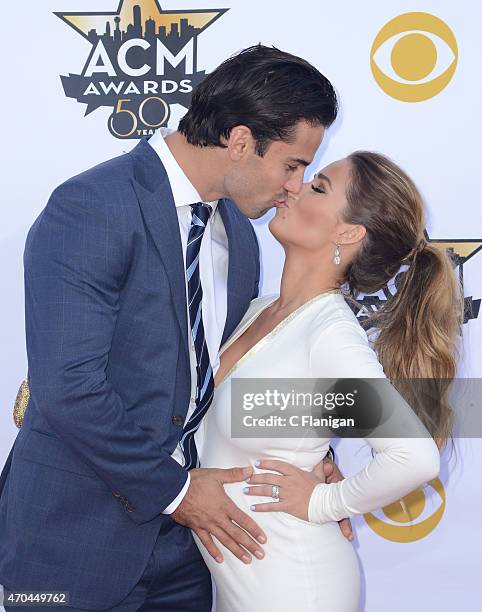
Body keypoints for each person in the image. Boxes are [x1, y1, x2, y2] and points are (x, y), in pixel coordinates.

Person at [0, 45, 346, 611]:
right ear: (239, 141)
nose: (295, 186)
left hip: (194, 552)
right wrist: (178, 492)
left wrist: (318, 455)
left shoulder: (238, 231)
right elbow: (69, 389)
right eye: (292, 164)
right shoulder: (92, 206)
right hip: (75, 539)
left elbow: (225, 378)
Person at [194, 151, 464, 611]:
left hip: (294, 584)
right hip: (244, 584)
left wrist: (325, 503)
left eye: (318, 187)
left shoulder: (330, 331)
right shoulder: (263, 309)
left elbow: (414, 456)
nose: (294, 187)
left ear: (349, 233)